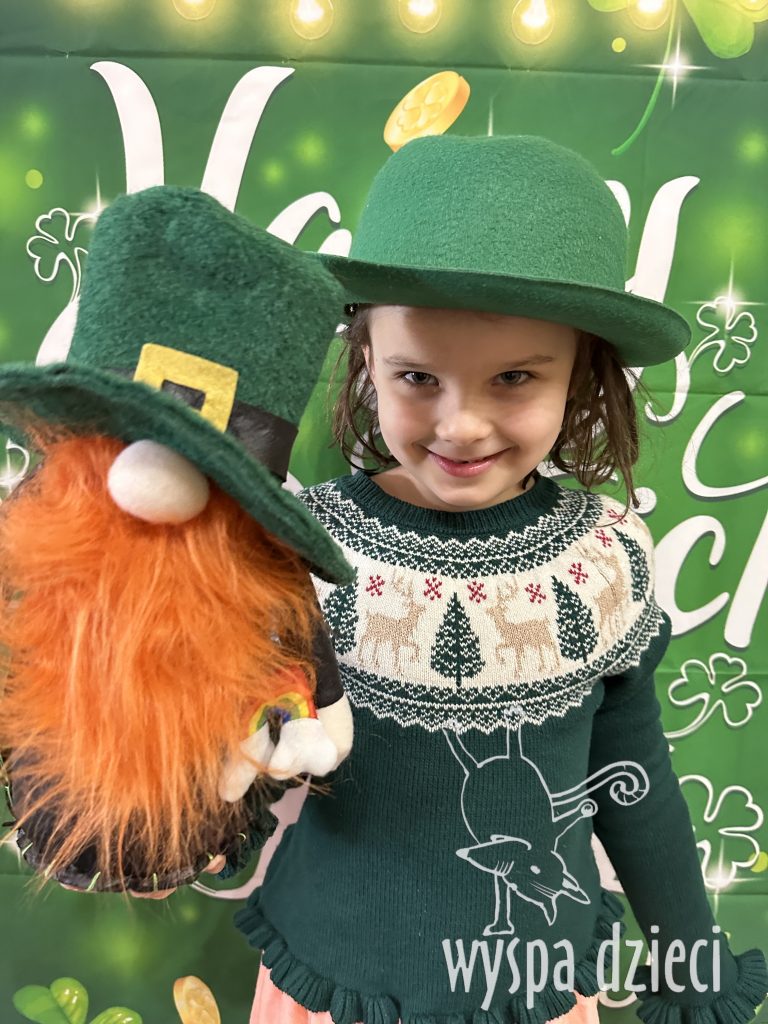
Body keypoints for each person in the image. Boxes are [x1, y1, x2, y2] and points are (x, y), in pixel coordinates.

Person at [234, 134, 768, 1024]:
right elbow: (242, 746)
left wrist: (692, 959)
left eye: (514, 377)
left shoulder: (603, 558)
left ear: (581, 374)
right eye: (417, 376)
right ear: (366, 361)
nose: (462, 424)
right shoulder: (300, 545)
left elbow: (632, 772)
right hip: (334, 981)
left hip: (534, 986)